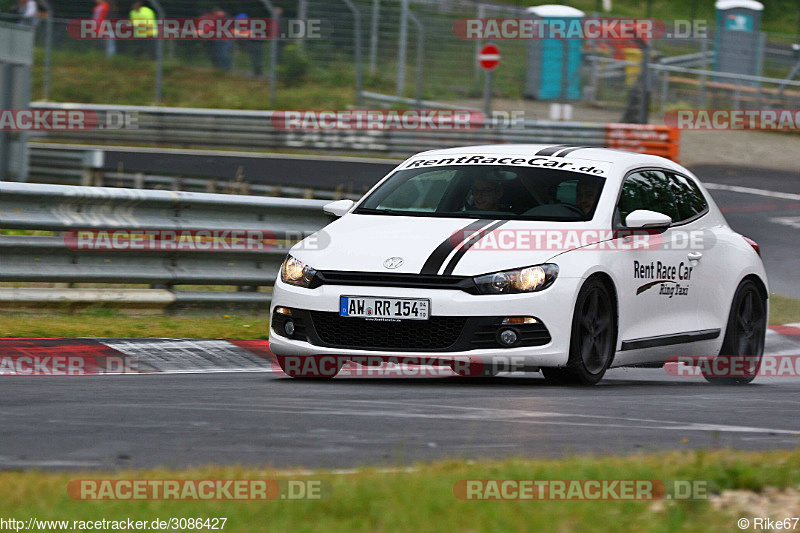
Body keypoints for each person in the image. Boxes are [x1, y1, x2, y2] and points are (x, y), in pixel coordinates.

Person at [235, 12, 263, 78]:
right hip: (252, 42)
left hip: (256, 42)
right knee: (254, 58)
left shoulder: (250, 23)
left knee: (256, 58)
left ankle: (258, 74)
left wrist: (237, 33)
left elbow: (249, 33)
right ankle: (257, 73)